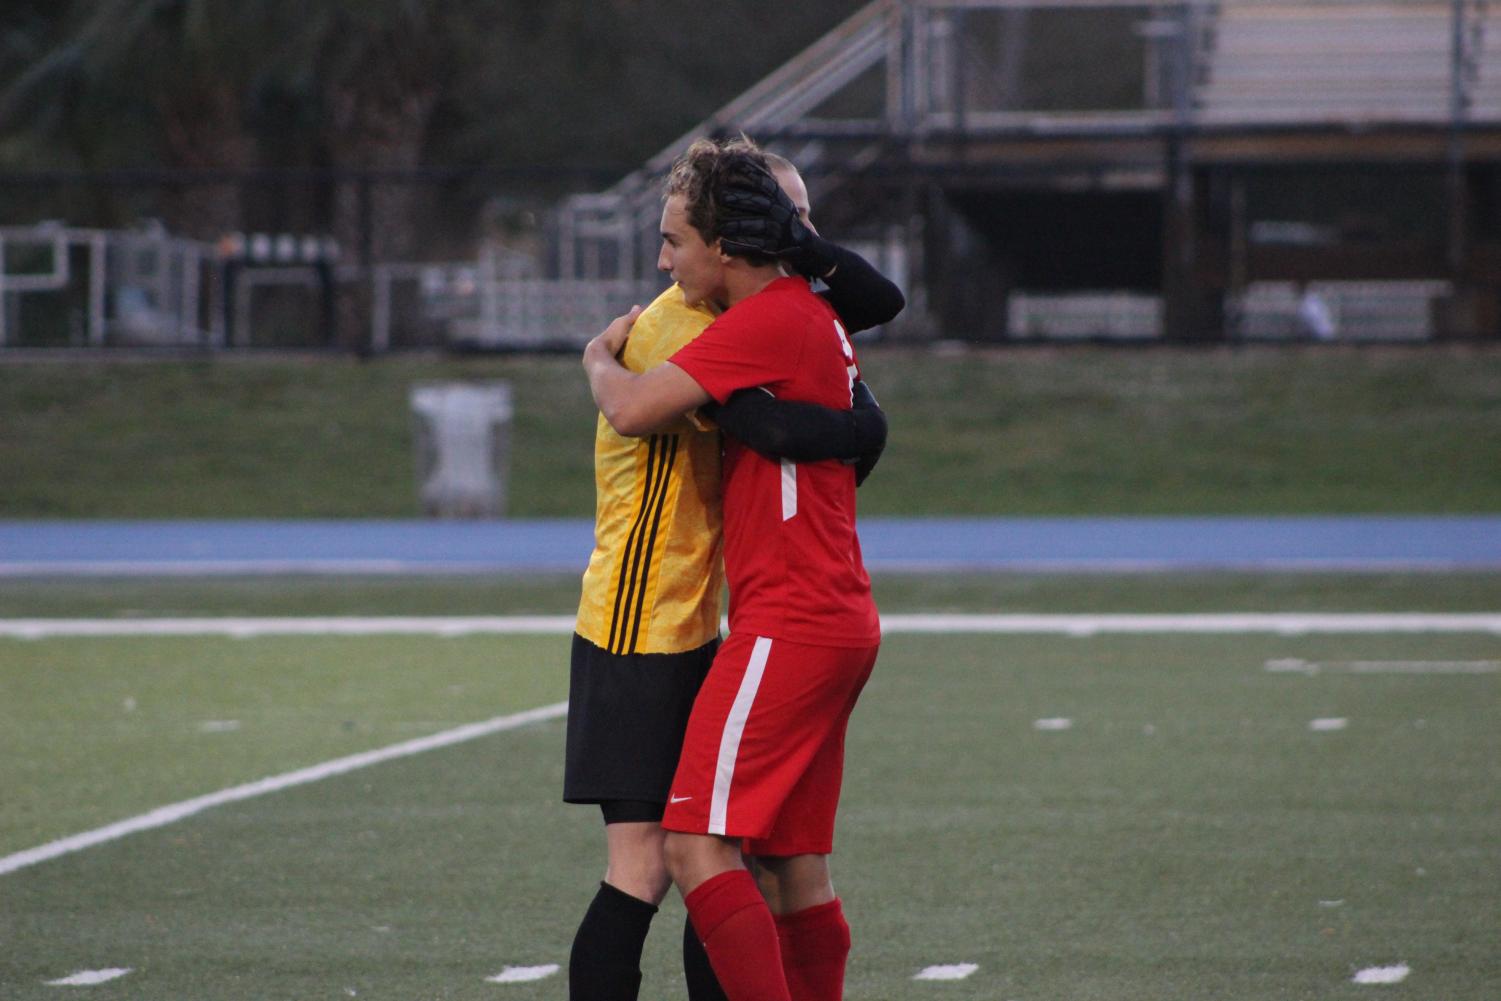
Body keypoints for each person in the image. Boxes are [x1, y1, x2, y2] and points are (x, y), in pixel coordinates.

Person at [566, 140, 902, 1001]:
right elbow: (848, 399)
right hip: (816, 616)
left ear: (725, 245)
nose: (662, 261)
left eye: (675, 240)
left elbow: (635, 407)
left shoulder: (760, 317)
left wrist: (593, 359)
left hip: (773, 618)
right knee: (788, 865)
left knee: (684, 850)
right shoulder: (804, 314)